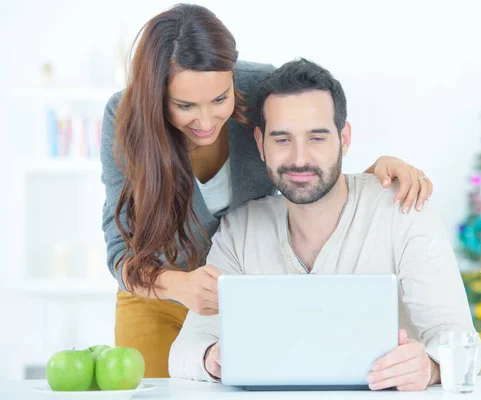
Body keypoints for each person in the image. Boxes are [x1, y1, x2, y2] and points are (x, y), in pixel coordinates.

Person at [100, 4, 434, 378]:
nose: (207, 120)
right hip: (157, 293)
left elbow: (304, 162)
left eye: (220, 99)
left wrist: (373, 174)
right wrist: (179, 285)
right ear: (156, 95)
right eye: (185, 106)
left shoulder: (260, 90)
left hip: (251, 296)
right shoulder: (125, 117)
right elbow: (119, 251)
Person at [168, 58, 481, 391]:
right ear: (260, 144)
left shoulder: (403, 210)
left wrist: (431, 367)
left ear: (344, 139)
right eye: (282, 139)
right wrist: (212, 358)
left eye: (317, 138)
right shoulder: (240, 229)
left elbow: (462, 341)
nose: (300, 158)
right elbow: (183, 352)